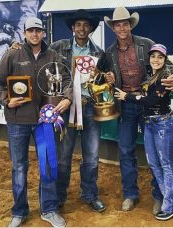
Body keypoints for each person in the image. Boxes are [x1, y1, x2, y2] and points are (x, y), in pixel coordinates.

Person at [0, 17, 72, 227]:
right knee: (19, 166)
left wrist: (67, 98)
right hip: (18, 120)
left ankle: (50, 209)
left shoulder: (54, 56)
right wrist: (7, 101)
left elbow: (68, 80)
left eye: (38, 30)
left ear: (43, 32)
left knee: (48, 165)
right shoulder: (12, 54)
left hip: (46, 120)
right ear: (24, 33)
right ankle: (19, 211)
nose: (34, 34)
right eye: (30, 31)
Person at [97, 7, 173, 213]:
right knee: (126, 150)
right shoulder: (109, 52)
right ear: (113, 28)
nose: (122, 27)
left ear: (130, 25)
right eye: (118, 25)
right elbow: (98, 74)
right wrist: (106, 76)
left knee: (158, 155)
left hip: (149, 104)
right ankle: (130, 194)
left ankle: (159, 195)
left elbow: (168, 66)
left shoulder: (146, 44)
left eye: (125, 23)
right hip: (125, 104)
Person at [114, 44, 173, 220]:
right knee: (154, 164)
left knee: (166, 164)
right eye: (153, 56)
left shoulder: (166, 76)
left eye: (160, 57)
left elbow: (150, 100)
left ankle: (171, 206)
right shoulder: (149, 74)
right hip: (150, 123)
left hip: (163, 124)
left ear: (165, 59)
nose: (156, 60)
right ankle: (172, 195)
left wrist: (127, 96)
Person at [50, 9, 106, 212]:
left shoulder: (99, 52)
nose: (82, 28)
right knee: (64, 157)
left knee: (91, 156)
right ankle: (59, 196)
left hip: (90, 107)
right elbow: (39, 59)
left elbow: (102, 80)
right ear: (72, 28)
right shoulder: (58, 48)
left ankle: (90, 194)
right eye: (78, 25)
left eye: (86, 25)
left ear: (90, 28)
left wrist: (106, 77)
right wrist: (19, 48)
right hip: (66, 108)